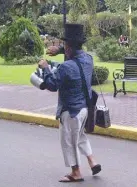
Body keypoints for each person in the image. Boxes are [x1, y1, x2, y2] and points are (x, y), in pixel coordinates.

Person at [38, 24, 101, 182]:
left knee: (68, 141)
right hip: (85, 109)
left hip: (70, 111)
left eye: (65, 45)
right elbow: (74, 53)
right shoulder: (88, 59)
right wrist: (59, 50)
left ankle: (76, 172)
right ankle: (93, 161)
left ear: (69, 46)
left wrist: (45, 68)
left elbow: (52, 85)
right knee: (79, 136)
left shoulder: (66, 67)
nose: (63, 47)